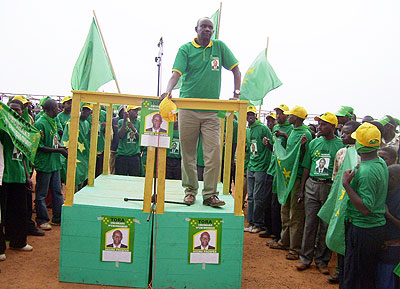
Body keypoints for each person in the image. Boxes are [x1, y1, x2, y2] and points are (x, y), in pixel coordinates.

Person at [161, 17, 241, 207]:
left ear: (213, 31)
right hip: (188, 109)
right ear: (195, 29)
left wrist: (236, 94)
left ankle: (210, 195)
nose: (207, 29)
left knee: (213, 154)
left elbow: (236, 70)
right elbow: (176, 74)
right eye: (203, 26)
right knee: (188, 154)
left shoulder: (219, 47)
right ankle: (190, 191)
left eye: (210, 27)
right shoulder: (185, 49)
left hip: (212, 112)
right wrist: (168, 90)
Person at [342, 122, 388, 288]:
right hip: (374, 229)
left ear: (359, 145)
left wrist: (346, 184)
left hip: (363, 229)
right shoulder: (380, 162)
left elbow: (365, 208)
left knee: (356, 276)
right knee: (366, 274)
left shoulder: (367, 171)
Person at [296, 112, 344, 274]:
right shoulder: (314, 143)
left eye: (324, 124)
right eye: (319, 124)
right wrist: (302, 189)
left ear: (333, 126)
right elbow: (307, 166)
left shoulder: (340, 145)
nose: (320, 127)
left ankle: (322, 261)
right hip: (312, 185)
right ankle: (305, 259)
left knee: (325, 225)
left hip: (329, 187)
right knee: (310, 224)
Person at [269, 106, 312, 262]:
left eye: (291, 115)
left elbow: (304, 157)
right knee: (285, 210)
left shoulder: (305, 133)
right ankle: (284, 241)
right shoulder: (294, 132)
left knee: (296, 215)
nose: (288, 117)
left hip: (297, 177)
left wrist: (301, 147)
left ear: (298, 118)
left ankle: (294, 248)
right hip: (287, 178)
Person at [327, 120, 361, 284]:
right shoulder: (341, 153)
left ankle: (348, 274)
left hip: (353, 201)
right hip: (340, 198)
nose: (343, 135)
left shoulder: (361, 155)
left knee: (349, 240)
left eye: (347, 133)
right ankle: (339, 271)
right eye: (343, 132)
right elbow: (335, 178)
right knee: (339, 234)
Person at [0, 100, 34, 254]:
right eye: (11, 109)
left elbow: (24, 156)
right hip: (4, 178)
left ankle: (18, 242)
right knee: (3, 215)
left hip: (19, 177)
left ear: (22, 112)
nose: (14, 112)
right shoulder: (2, 127)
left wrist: (27, 176)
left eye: (18, 110)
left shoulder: (22, 130)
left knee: (19, 212)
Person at [34, 99, 68, 230]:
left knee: (57, 192)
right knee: (41, 193)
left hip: (55, 163)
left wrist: (62, 147)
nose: (58, 110)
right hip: (45, 164)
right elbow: (40, 146)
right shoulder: (40, 123)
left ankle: (58, 218)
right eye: (56, 108)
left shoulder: (54, 121)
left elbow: (56, 140)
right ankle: (42, 220)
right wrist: (58, 150)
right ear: (50, 109)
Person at [262, 104, 293, 241]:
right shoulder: (275, 128)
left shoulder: (291, 129)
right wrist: (268, 144)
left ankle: (277, 234)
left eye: (280, 113)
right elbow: (274, 149)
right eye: (277, 114)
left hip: (281, 172)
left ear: (287, 115)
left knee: (277, 204)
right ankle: (268, 228)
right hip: (271, 168)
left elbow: (291, 150)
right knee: (267, 201)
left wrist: (285, 136)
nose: (278, 116)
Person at [244, 105, 273, 233]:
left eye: (252, 114)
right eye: (248, 114)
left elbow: (272, 145)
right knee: (250, 196)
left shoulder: (263, 128)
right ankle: (251, 222)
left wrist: (268, 143)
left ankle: (258, 223)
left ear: (255, 116)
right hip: (251, 165)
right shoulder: (247, 130)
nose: (249, 116)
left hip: (261, 167)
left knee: (257, 196)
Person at [116, 105, 141, 176]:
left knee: (135, 178)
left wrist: (134, 129)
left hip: (134, 156)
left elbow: (140, 139)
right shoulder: (121, 121)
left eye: (137, 110)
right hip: (122, 155)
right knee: (120, 177)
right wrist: (124, 121)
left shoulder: (139, 123)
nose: (137, 112)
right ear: (129, 112)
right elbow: (120, 135)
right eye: (134, 110)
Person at [110, 105, 124, 174]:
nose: (124, 113)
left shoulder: (128, 122)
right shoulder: (114, 120)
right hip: (114, 148)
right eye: (122, 111)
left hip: (122, 150)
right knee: (112, 167)